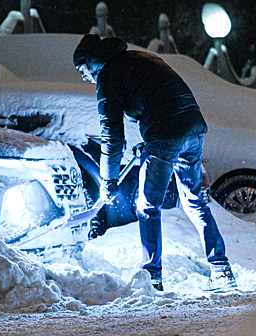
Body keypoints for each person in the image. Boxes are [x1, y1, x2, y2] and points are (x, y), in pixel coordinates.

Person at [73, 34, 236, 292]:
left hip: (165, 132)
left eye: (83, 71)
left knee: (147, 206)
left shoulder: (107, 75)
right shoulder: (139, 57)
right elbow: (155, 98)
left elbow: (112, 135)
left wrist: (109, 180)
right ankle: (221, 269)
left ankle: (152, 278)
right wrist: (149, 141)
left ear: (91, 63)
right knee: (194, 201)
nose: (84, 78)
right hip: (193, 127)